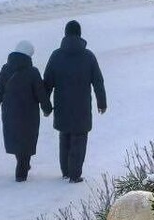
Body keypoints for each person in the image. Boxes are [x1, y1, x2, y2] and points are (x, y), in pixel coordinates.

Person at [43, 20, 107, 183]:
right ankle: (75, 174)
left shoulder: (56, 56)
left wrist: (45, 104)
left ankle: (65, 171)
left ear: (65, 34)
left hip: (62, 105)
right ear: (79, 34)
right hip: (81, 107)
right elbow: (98, 81)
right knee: (79, 138)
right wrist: (102, 102)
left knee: (64, 136)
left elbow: (47, 81)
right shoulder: (88, 56)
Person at [0, 40, 51, 182]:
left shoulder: (5, 69)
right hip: (28, 114)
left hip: (9, 112)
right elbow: (41, 93)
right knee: (26, 142)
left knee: (17, 140)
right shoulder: (33, 72)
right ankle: (21, 174)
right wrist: (47, 108)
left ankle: (23, 166)